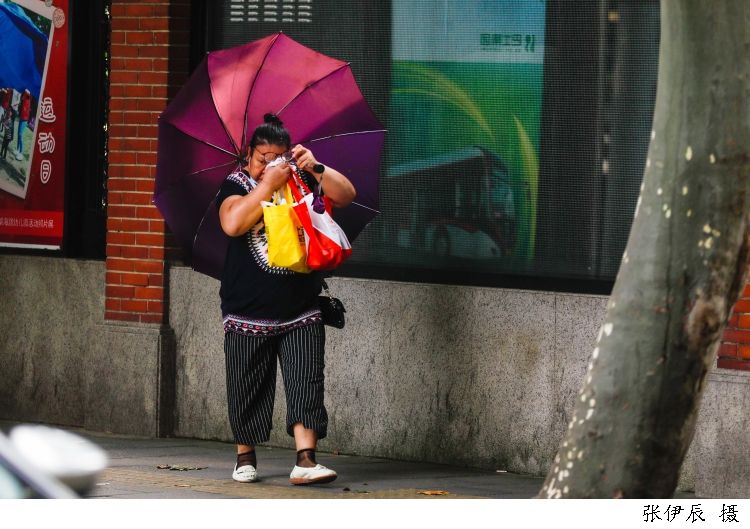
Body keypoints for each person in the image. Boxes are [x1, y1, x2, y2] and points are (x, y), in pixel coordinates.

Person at [216, 113, 356, 485]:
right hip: (247, 309)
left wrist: (317, 167)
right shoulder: (235, 184)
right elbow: (232, 223)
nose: (271, 165)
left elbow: (347, 195)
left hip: (300, 305)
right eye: (264, 158)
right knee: (247, 383)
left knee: (306, 380)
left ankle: (305, 460)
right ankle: (245, 455)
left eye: (279, 158)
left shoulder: (300, 179)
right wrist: (265, 187)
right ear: (250, 153)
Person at [16, 89, 31, 160]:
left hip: (25, 119)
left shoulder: (29, 95)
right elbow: (22, 97)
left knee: (20, 135)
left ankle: (21, 153)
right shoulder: (24, 96)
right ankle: (17, 149)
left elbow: (27, 92)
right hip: (21, 117)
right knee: (18, 134)